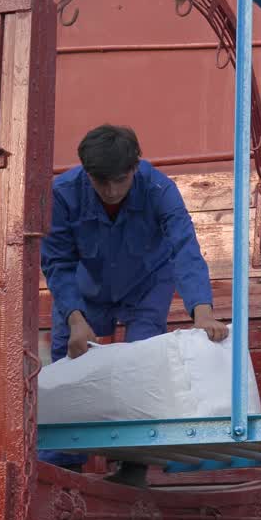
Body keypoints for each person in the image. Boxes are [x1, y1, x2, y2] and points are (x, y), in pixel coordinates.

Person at [39, 124, 228, 482]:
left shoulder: (160, 189)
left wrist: (202, 310)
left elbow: (184, 248)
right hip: (87, 286)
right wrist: (76, 318)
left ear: (135, 168)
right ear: (88, 174)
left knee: (144, 359)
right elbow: (57, 263)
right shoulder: (62, 194)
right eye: (101, 182)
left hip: (147, 282)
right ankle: (60, 465)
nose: (111, 191)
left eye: (120, 181)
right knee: (69, 360)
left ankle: (134, 462)